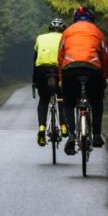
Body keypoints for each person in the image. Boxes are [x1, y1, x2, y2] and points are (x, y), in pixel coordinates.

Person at [58, 6, 108, 155]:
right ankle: (97, 135)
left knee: (68, 102)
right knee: (96, 101)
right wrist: (103, 78)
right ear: (92, 19)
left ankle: (72, 135)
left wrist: (62, 78)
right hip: (93, 68)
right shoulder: (98, 32)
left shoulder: (67, 32)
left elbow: (60, 57)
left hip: (70, 68)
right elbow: (105, 58)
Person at [32, 18, 67, 146]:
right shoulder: (65, 37)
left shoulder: (40, 38)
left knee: (44, 100)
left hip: (42, 70)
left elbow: (35, 61)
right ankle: (63, 125)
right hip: (58, 69)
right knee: (62, 97)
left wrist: (34, 81)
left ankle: (41, 127)